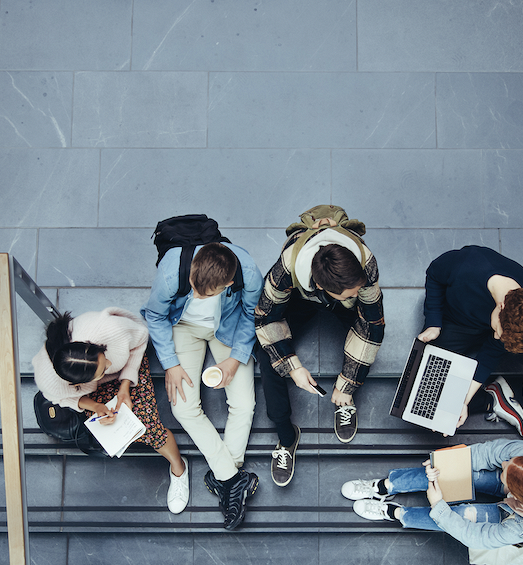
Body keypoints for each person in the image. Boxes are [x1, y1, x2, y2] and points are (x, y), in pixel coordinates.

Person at [255, 205, 384, 486]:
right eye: (351, 292)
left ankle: (345, 401)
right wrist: (292, 366)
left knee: (365, 325)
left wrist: (346, 383)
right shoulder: (284, 271)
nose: (358, 292)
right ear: (325, 289)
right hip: (300, 298)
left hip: (339, 302)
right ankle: (287, 437)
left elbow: (372, 324)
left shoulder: (365, 263)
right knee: (265, 355)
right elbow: (266, 319)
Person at [142, 240, 262, 530]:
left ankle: (225, 479)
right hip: (183, 327)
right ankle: (232, 480)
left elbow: (250, 314)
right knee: (183, 409)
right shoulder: (174, 271)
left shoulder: (249, 276)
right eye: (193, 287)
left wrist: (236, 358)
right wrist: (170, 363)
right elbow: (155, 315)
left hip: (228, 326)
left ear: (228, 283)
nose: (194, 294)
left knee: (245, 404)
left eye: (203, 292)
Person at [341, 438, 523, 565]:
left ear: (517, 494)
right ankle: (385, 486)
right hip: (517, 499)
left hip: (511, 515)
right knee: (445, 474)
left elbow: (475, 536)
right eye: (511, 462)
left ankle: (397, 513)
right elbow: (488, 453)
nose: (503, 464)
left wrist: (439, 506)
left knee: (460, 517)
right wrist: (447, 463)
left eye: (505, 471)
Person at [32, 308, 189, 513]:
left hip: (131, 358)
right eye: (103, 369)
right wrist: (96, 407)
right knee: (119, 426)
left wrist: (125, 385)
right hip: (91, 391)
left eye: (103, 358)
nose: (110, 363)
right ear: (76, 382)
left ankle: (179, 468)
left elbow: (141, 337)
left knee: (147, 428)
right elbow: (63, 398)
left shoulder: (109, 330)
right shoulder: (49, 381)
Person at [418, 245, 523, 440]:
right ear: (502, 305)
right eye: (499, 332)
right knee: (426, 401)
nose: (498, 338)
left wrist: (463, 399)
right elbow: (434, 274)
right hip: (459, 323)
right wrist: (433, 322)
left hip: (505, 328)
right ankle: (491, 398)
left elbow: (492, 351)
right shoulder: (468, 267)